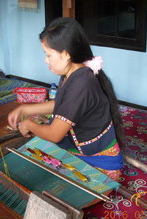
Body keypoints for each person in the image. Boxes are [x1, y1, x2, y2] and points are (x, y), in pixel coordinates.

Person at [8, 17, 125, 181]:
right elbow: (63, 105)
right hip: (84, 151)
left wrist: (29, 124)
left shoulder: (81, 84)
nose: (45, 60)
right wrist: (25, 108)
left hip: (100, 167)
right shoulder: (74, 72)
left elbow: (55, 134)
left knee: (32, 177)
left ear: (66, 54)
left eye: (48, 55)